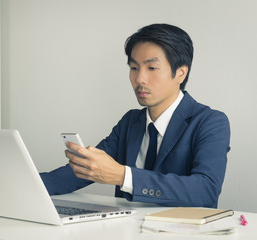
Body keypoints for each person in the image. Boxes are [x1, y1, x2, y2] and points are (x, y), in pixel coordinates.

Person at [40, 23, 230, 208]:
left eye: (152, 68)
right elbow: (82, 172)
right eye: (134, 68)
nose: (139, 79)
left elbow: (206, 190)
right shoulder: (131, 122)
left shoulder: (210, 122)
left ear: (180, 73)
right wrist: (20, 184)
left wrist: (123, 176)